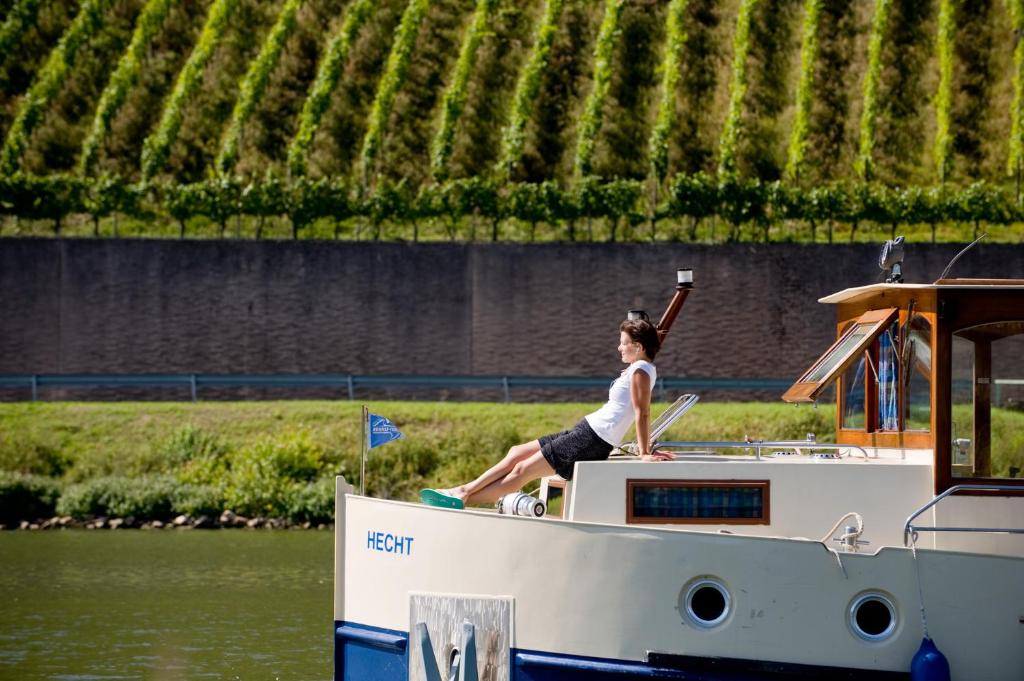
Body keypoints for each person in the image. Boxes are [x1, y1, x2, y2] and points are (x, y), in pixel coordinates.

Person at [420, 318, 673, 510]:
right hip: (588, 430)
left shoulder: (640, 369)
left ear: (638, 346)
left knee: (521, 471)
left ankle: (464, 498)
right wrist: (648, 448)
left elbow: (642, 413)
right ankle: (463, 490)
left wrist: (644, 453)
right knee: (516, 452)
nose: (619, 347)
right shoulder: (638, 367)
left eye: (623, 343)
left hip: (593, 439)